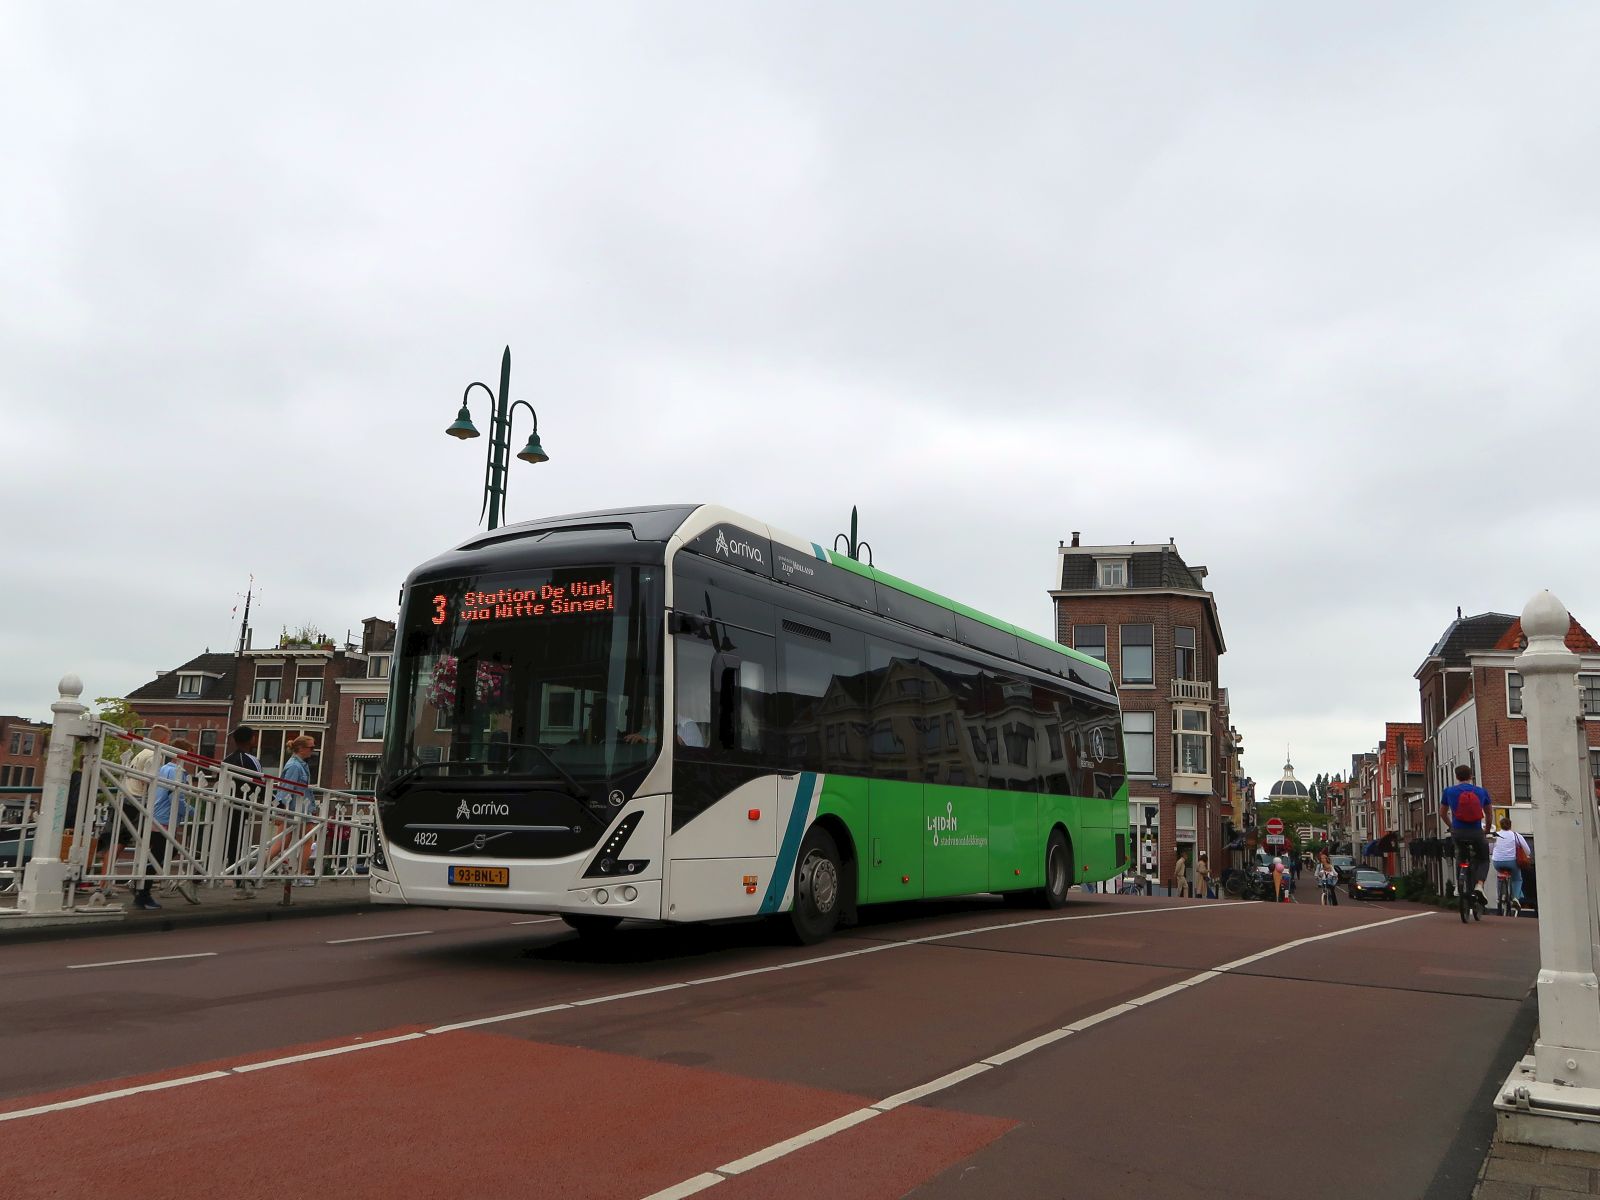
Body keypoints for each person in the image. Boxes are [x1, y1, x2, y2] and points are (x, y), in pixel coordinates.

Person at [94, 725, 169, 890]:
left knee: (116, 840)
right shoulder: (155, 755)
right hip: (136, 801)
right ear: (163, 740)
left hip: (123, 796)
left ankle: (103, 883)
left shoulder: (141, 753)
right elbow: (148, 781)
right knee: (131, 841)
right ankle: (141, 880)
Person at [133, 738, 194, 910]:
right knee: (162, 853)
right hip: (165, 819)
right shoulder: (177, 772)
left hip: (154, 815)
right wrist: (191, 811)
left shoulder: (163, 769)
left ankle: (140, 886)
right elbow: (176, 797)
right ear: (181, 755)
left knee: (155, 853)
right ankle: (142, 892)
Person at [1441, 764, 1493, 907]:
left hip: (1458, 832)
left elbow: (1442, 813)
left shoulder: (1449, 791)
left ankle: (1459, 885)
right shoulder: (1481, 792)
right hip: (1476, 832)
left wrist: (1451, 826)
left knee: (1460, 855)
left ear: (1456, 776)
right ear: (1471, 776)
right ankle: (1479, 885)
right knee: (1483, 859)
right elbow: (1489, 814)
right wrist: (1487, 830)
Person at [222, 725, 264, 899]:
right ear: (251, 739)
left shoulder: (226, 760)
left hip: (225, 804)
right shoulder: (251, 760)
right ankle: (239, 882)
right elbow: (260, 783)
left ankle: (236, 878)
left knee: (224, 842)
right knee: (237, 842)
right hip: (242, 805)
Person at [274, 735, 316, 905]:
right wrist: (281, 810)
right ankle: (299, 874)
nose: (313, 750)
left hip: (300, 809)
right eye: (311, 748)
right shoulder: (295, 766)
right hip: (296, 810)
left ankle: (257, 869)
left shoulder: (300, 765)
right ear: (301, 748)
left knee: (284, 841)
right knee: (301, 840)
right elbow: (286, 787)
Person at [1490, 814, 1530, 912]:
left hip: (1497, 862)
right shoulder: (1516, 835)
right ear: (1510, 825)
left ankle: (1499, 897)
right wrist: (1527, 855)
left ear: (1500, 825)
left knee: (1499, 876)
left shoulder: (1496, 835)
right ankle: (1515, 897)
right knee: (1517, 878)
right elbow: (1527, 850)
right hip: (1511, 863)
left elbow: (1490, 849)